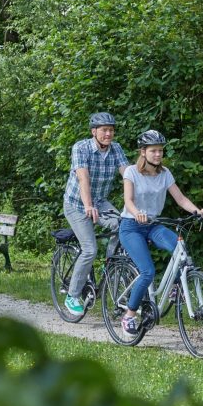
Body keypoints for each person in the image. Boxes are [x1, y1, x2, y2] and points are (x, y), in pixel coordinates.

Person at [117, 130, 203, 335]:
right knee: (148, 271)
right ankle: (129, 315)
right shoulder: (131, 172)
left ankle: (177, 285)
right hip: (131, 225)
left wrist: (197, 211)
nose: (158, 155)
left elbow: (180, 198)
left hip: (153, 225)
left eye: (160, 150)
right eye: (153, 151)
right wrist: (137, 213)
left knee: (180, 249)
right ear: (143, 152)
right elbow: (128, 201)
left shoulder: (165, 173)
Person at [61, 112, 130, 316]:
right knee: (90, 249)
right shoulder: (81, 148)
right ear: (94, 132)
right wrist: (88, 205)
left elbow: (128, 174)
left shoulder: (116, 148)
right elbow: (83, 178)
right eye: (104, 130)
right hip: (77, 204)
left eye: (111, 130)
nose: (108, 134)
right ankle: (72, 296)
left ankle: (111, 266)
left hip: (100, 202)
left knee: (124, 225)